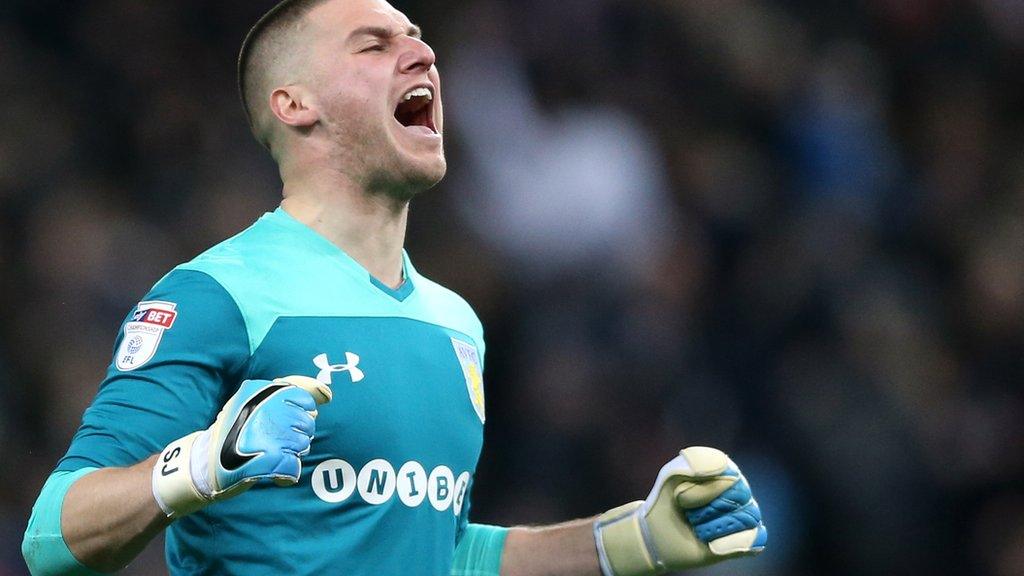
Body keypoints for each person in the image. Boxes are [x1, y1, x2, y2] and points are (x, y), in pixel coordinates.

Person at [21, 0, 767, 574]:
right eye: (375, 44)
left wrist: (630, 542)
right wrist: (199, 467)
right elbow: (51, 536)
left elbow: (441, 554)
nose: (423, 53)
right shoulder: (219, 296)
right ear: (294, 103)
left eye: (417, 36)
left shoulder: (456, 323)